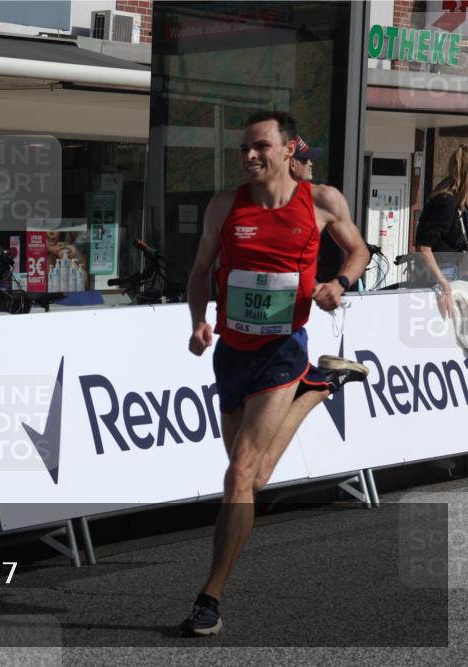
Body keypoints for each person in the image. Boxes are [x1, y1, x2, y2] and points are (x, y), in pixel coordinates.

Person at [181, 111, 371, 637]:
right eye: (244, 148)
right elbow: (200, 271)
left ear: (290, 150)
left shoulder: (322, 202)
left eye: (260, 146)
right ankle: (318, 388)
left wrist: (340, 282)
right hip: (233, 353)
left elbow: (358, 251)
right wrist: (199, 320)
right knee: (254, 479)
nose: (249, 155)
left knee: (239, 474)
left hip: (283, 349)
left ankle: (209, 598)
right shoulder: (225, 206)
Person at [414, 145, 468, 319]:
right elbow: (424, 247)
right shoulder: (447, 201)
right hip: (443, 273)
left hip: (451, 271)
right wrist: (444, 285)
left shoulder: (454, 200)